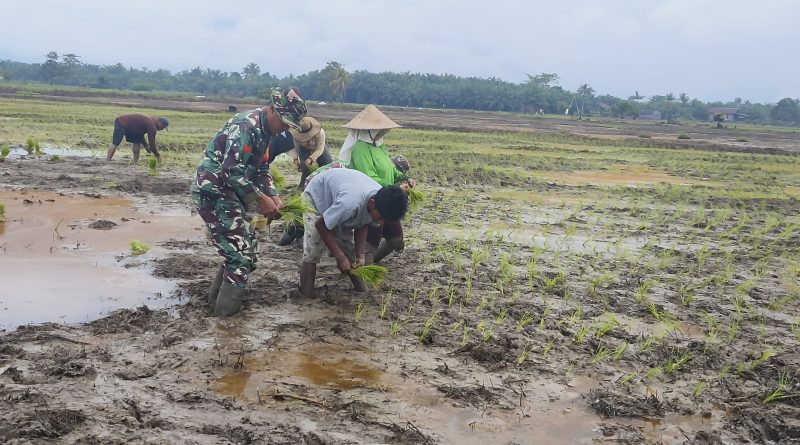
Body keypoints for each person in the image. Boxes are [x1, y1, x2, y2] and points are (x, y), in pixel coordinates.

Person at [191, 87, 307, 316]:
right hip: (215, 192)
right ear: (272, 110)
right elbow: (231, 171)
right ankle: (223, 325)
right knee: (239, 260)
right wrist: (261, 199)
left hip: (230, 194)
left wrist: (273, 195)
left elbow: (260, 166)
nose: (284, 128)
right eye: (284, 122)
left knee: (247, 255)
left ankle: (214, 305)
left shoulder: (266, 131)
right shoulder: (247, 126)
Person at [299, 168, 408, 299]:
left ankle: (363, 293)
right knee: (314, 248)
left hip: (339, 199)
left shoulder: (379, 201)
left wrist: (360, 255)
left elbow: (362, 224)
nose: (380, 222)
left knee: (351, 256)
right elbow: (320, 225)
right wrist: (340, 257)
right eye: (380, 218)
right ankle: (306, 297)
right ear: (372, 204)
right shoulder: (349, 204)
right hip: (317, 197)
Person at [343, 105, 416, 263]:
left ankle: (368, 266)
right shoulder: (360, 149)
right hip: (373, 202)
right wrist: (396, 188)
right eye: (380, 129)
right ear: (369, 129)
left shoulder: (380, 146)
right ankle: (362, 269)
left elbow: (390, 169)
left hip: (389, 199)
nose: (384, 131)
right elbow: (369, 177)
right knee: (370, 244)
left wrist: (404, 178)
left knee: (396, 241)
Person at [290, 117, 334, 189]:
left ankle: (326, 185)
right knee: (305, 168)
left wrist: (311, 158)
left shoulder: (320, 133)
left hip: (318, 148)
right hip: (304, 149)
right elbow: (294, 149)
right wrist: (296, 160)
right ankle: (303, 187)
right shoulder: (295, 136)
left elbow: (320, 149)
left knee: (328, 165)